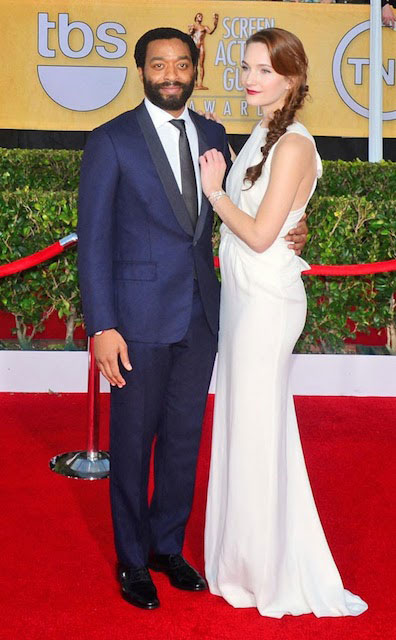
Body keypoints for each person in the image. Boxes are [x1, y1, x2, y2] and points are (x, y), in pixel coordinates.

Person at [77, 26, 308, 611]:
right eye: (160, 65)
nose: (172, 74)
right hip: (134, 320)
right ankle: (131, 560)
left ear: (194, 71)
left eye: (182, 64)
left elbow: (251, 204)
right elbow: (95, 241)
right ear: (143, 71)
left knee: (183, 441)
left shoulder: (213, 132)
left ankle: (166, 546)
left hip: (203, 315)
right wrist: (102, 325)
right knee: (132, 443)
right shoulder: (111, 140)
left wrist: (290, 231)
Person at [200, 28, 368, 618]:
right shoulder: (264, 132)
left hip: (268, 303)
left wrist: (215, 193)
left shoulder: (292, 142)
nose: (250, 78)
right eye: (246, 67)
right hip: (246, 295)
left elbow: (262, 233)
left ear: (291, 79)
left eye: (265, 70)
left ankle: (264, 569)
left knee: (256, 428)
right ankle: (240, 559)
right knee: (246, 426)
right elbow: (278, 220)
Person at [188, 12, 219, 89]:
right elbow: (188, 35)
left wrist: (215, 24)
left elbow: (211, 32)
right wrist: (191, 30)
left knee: (201, 65)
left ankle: (200, 84)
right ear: (196, 18)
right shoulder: (193, 26)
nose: (200, 18)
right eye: (199, 16)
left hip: (201, 46)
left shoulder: (204, 27)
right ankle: (195, 83)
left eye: (201, 16)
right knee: (194, 65)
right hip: (194, 46)